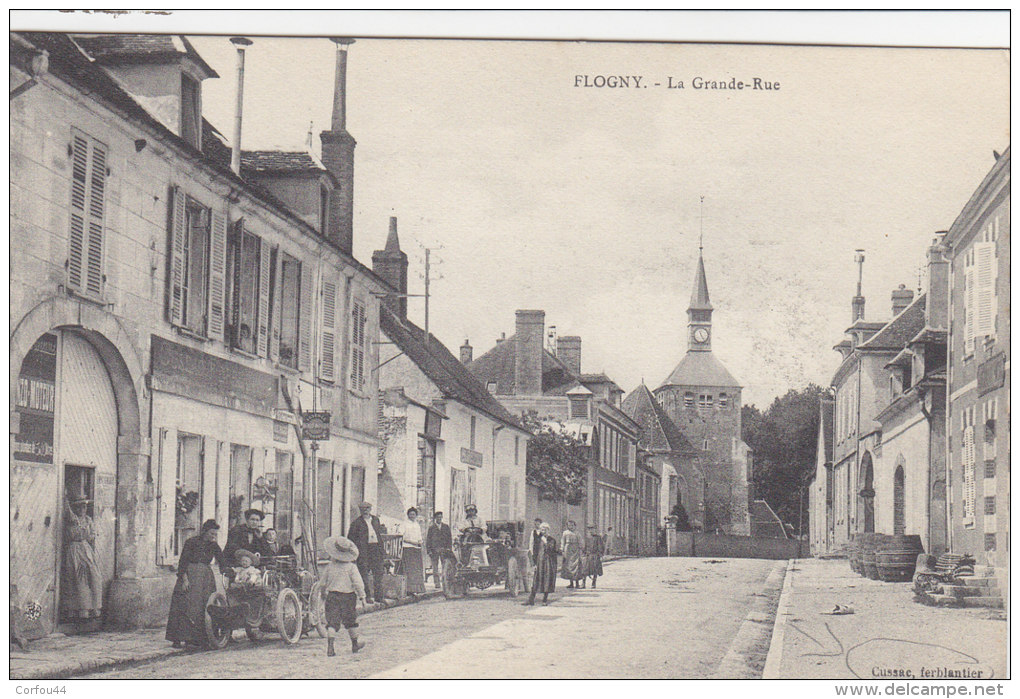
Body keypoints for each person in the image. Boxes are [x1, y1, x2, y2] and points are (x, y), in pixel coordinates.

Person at [166, 519, 226, 648]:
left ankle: (197, 638)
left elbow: (222, 560)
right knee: (184, 605)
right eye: (211, 534)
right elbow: (183, 562)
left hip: (205, 578)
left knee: (203, 607)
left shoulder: (214, 545)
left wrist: (228, 571)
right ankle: (179, 638)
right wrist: (184, 579)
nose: (213, 537)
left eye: (215, 534)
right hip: (190, 575)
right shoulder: (191, 542)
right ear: (204, 531)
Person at [319, 536, 367, 655]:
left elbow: (322, 582)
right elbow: (358, 583)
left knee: (332, 622)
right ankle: (355, 645)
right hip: (348, 597)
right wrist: (363, 597)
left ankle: (330, 648)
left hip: (332, 596)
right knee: (351, 621)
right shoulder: (351, 567)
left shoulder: (330, 566)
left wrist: (323, 592)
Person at [61, 497, 103, 621]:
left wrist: (90, 535)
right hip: (74, 550)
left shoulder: (88, 520)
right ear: (75, 508)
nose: (82, 509)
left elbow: (92, 535)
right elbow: (67, 509)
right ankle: (78, 609)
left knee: (94, 576)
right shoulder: (72, 520)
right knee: (78, 578)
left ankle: (93, 607)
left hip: (86, 549)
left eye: (84, 507)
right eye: (79, 507)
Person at [346, 502, 386, 604]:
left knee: (378, 573)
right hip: (364, 550)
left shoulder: (376, 520)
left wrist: (382, 550)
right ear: (360, 510)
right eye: (362, 508)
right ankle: (367, 596)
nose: (365, 510)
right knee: (364, 573)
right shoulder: (356, 523)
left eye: (367, 508)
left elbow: (379, 534)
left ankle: (379, 596)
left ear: (370, 509)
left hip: (376, 548)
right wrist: (354, 553)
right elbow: (350, 539)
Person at [524, 523, 558, 606]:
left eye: (545, 529)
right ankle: (531, 600)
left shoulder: (551, 540)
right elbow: (535, 552)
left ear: (548, 530)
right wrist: (534, 563)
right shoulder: (539, 540)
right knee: (536, 580)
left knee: (546, 580)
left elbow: (551, 550)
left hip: (548, 563)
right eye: (542, 530)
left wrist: (545, 541)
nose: (543, 531)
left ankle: (544, 600)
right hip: (540, 562)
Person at [399, 507, 426, 595]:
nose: (412, 516)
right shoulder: (404, 524)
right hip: (407, 548)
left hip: (416, 549)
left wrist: (420, 542)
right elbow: (401, 536)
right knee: (409, 569)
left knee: (416, 570)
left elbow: (419, 537)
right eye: (410, 514)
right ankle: (407, 589)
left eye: (414, 514)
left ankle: (416, 589)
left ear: (416, 515)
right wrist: (411, 542)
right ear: (408, 515)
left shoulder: (417, 525)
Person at [426, 511, 452, 587]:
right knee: (435, 568)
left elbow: (449, 539)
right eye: (438, 517)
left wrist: (449, 548)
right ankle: (437, 583)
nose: (439, 519)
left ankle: (445, 582)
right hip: (434, 550)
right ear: (435, 518)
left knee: (445, 567)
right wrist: (429, 551)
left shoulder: (446, 527)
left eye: (440, 517)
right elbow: (428, 540)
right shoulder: (431, 528)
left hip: (444, 550)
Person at [560, 520, 584, 589]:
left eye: (572, 525)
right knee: (569, 566)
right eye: (569, 525)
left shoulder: (577, 533)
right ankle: (571, 583)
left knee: (576, 566)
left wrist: (580, 549)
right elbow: (562, 541)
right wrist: (562, 549)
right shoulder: (565, 533)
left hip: (575, 550)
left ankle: (577, 583)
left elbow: (580, 542)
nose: (571, 527)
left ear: (575, 526)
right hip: (568, 550)